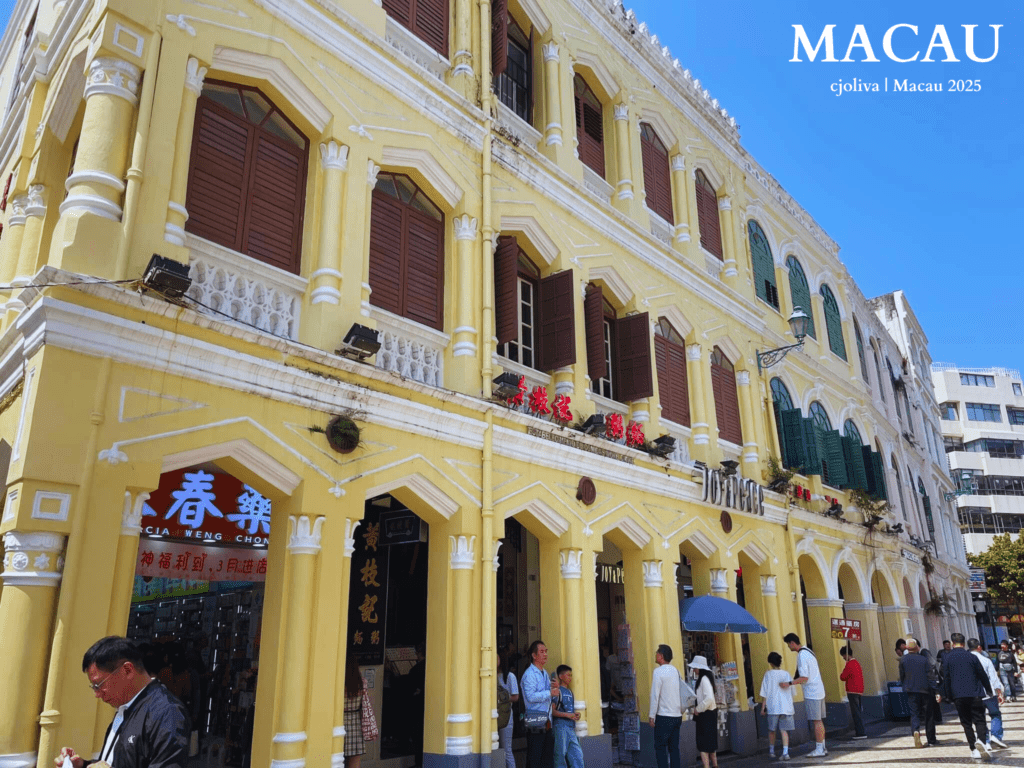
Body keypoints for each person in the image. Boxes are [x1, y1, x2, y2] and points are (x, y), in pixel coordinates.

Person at [55, 636, 190, 768]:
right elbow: (117, 761)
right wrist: (82, 765)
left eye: (99, 684)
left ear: (127, 670)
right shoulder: (125, 707)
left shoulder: (167, 713)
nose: (97, 694)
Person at [938, 632, 994, 761]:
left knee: (966, 722)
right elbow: (982, 674)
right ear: (963, 643)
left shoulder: (947, 658)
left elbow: (946, 678)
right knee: (979, 719)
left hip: (959, 695)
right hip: (975, 693)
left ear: (952, 643)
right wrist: (989, 690)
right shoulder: (972, 657)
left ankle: (973, 749)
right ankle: (982, 742)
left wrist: (948, 696)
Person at [783, 633, 827, 757]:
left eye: (788, 644)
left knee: (816, 721)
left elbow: (804, 677)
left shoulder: (802, 656)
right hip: (819, 690)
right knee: (819, 721)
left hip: (812, 693)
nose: (788, 647)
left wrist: (789, 683)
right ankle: (822, 747)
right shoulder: (809, 651)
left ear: (792, 643)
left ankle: (819, 749)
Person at [522, 640, 559, 768]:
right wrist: (550, 693)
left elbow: (548, 694)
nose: (545, 654)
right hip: (535, 719)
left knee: (547, 756)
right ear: (534, 655)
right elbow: (531, 697)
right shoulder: (529, 674)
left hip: (547, 720)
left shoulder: (545, 673)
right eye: (542, 652)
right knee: (535, 756)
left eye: (546, 651)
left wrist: (554, 690)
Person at [968, 637, 1009, 751]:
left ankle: (985, 740)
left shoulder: (967, 660)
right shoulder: (986, 660)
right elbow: (993, 677)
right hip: (989, 693)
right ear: (979, 647)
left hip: (975, 694)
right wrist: (999, 693)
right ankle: (996, 735)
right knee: (995, 714)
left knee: (979, 719)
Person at [648, 645, 682, 768]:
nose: (655, 655)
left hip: (664, 716)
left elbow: (655, 695)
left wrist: (652, 715)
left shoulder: (658, 672)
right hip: (677, 715)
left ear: (661, 656)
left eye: (657, 653)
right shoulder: (676, 671)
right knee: (674, 749)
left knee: (660, 748)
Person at [899, 638, 936, 748]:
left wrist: (904, 684)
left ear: (906, 648)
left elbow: (902, 675)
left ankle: (916, 730)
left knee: (914, 713)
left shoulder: (903, 660)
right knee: (928, 715)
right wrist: (935, 689)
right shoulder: (923, 659)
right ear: (916, 648)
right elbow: (930, 675)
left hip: (910, 689)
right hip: (925, 690)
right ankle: (931, 739)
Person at [759, 652, 795, 761]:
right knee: (784, 730)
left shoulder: (768, 675)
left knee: (772, 730)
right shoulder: (786, 674)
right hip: (786, 706)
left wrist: (763, 707)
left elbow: (764, 693)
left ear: (770, 663)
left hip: (773, 706)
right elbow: (792, 692)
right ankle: (785, 752)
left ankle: (771, 751)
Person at [551, 665, 584, 768]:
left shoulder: (570, 692)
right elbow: (553, 711)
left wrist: (574, 715)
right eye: (568, 675)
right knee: (560, 755)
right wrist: (568, 715)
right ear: (560, 676)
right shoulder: (557, 691)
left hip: (571, 727)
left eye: (571, 675)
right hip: (560, 726)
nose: (570, 677)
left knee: (577, 756)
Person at [689, 656, 718, 768]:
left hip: (705, 715)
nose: (694, 670)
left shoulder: (704, 679)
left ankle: (707, 766)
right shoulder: (707, 678)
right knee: (711, 744)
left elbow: (709, 698)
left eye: (695, 667)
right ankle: (715, 765)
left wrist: (698, 709)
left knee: (703, 745)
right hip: (710, 714)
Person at [343, 655, 368, 768]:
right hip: (355, 723)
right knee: (354, 757)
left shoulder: (339, 684)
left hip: (340, 721)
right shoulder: (362, 682)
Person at [498, 653, 520, 768]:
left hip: (505, 716)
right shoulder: (491, 675)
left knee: (506, 749)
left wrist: (500, 699)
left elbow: (516, 697)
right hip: (493, 715)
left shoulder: (510, 676)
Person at [838, 647, 866, 739]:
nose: (843, 658)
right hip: (859, 691)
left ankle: (860, 733)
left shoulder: (850, 664)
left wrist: (845, 668)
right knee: (858, 712)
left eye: (843, 656)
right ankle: (861, 731)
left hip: (852, 691)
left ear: (846, 655)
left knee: (855, 713)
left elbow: (843, 677)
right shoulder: (856, 663)